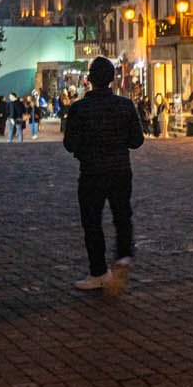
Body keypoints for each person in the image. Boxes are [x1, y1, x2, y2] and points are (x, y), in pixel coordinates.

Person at [63, 57, 144, 293]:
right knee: (122, 215)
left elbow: (70, 144)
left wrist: (85, 148)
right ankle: (124, 255)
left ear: (90, 79)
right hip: (120, 169)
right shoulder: (125, 105)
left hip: (91, 171)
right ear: (112, 78)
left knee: (92, 222)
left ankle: (98, 272)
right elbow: (137, 141)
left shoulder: (79, 108)